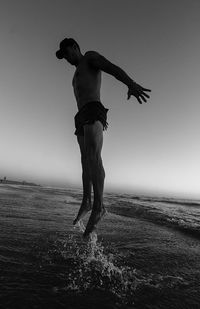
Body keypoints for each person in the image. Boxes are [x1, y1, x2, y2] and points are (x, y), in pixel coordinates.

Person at [56, 38, 151, 238]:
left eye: (66, 53)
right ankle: (86, 202)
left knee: (93, 156)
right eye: (63, 56)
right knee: (85, 161)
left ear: (75, 47)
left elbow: (111, 68)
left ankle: (99, 206)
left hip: (93, 109)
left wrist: (131, 83)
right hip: (80, 115)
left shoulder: (89, 57)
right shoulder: (75, 73)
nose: (65, 58)